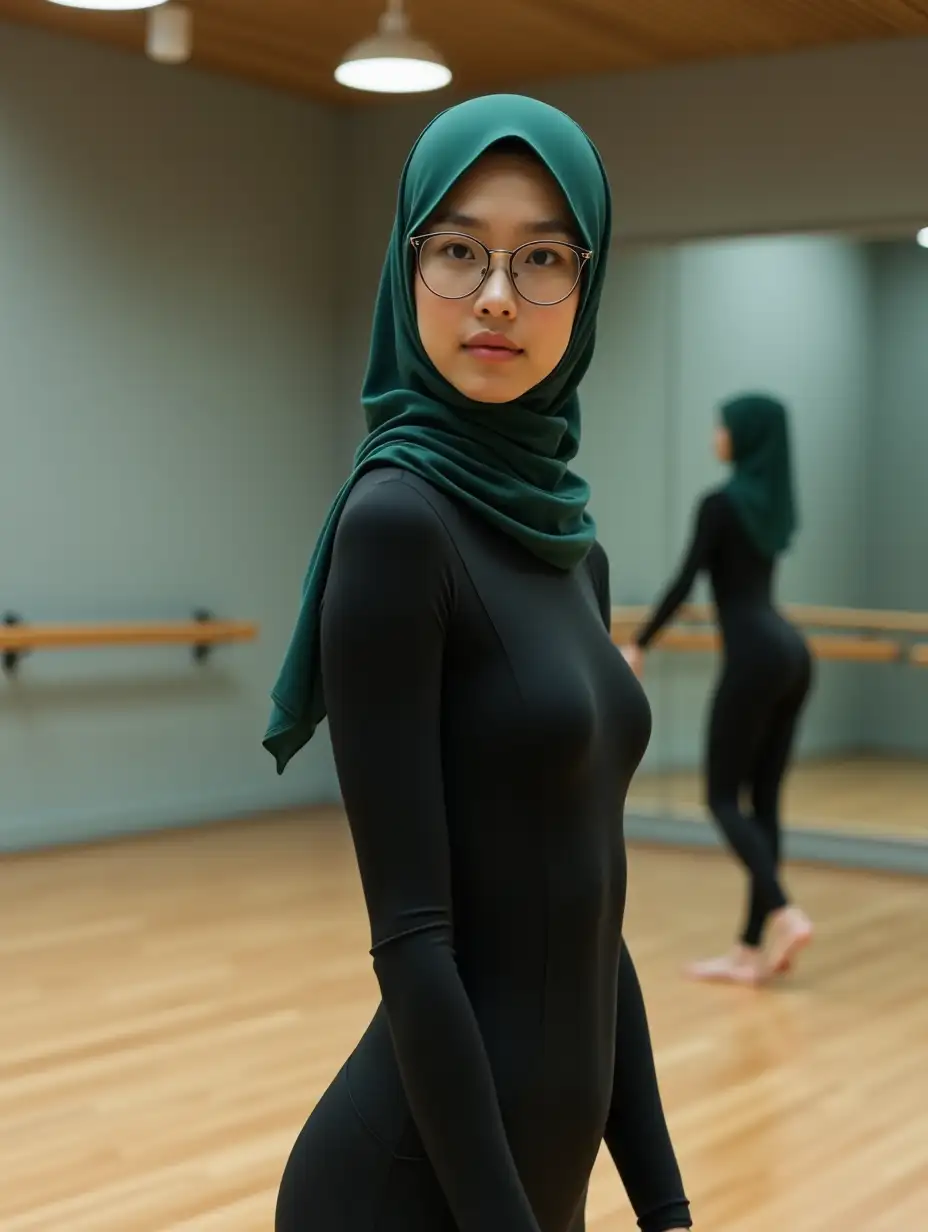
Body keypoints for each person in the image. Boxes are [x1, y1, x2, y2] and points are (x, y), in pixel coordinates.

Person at [264, 95, 692, 1232]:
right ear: (409, 270)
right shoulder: (397, 523)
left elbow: (592, 923)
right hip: (412, 1186)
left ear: (584, 284)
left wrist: (664, 1200)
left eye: (540, 255)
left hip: (534, 1187)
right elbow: (413, 939)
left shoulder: (572, 546)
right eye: (458, 250)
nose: (496, 294)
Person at [623, 394, 814, 986]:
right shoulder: (770, 509)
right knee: (765, 804)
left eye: (722, 426)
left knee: (722, 798)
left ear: (744, 436)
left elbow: (686, 582)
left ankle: (783, 911)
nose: (716, 435)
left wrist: (640, 642)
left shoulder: (721, 504)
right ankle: (748, 950)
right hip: (793, 653)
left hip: (755, 656)